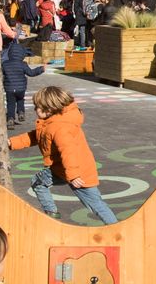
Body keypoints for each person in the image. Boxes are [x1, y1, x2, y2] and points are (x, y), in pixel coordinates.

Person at [11, 86, 116, 223]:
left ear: (49, 108)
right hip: (62, 169)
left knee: (96, 204)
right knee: (39, 182)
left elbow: (68, 151)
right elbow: (36, 136)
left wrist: (73, 175)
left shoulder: (60, 127)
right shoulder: (51, 123)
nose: (35, 109)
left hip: (78, 171)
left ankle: (114, 227)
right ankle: (51, 213)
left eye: (37, 107)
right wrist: (12, 142)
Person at [0, 34, 44, 123]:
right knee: (20, 100)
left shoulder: (5, 64)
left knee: (10, 103)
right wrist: (41, 69)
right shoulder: (23, 64)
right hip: (21, 88)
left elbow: (1, 74)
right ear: (21, 54)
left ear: (10, 53)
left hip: (9, 88)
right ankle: (21, 112)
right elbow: (31, 73)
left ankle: (10, 118)